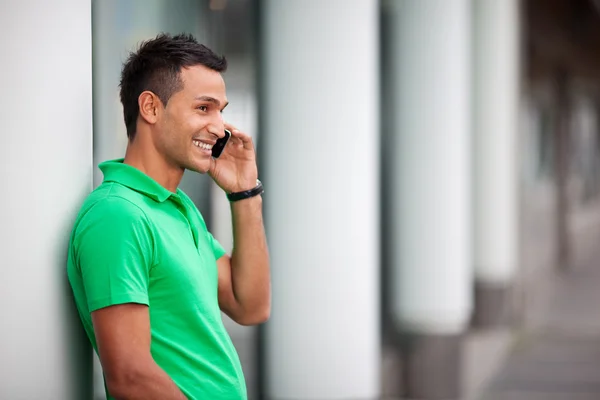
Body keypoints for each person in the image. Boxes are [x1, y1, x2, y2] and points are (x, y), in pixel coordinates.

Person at [66, 33, 270, 400]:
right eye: (204, 108)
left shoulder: (178, 208)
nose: (221, 127)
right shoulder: (118, 215)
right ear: (151, 108)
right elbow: (130, 376)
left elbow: (250, 305)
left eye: (221, 110)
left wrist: (244, 192)